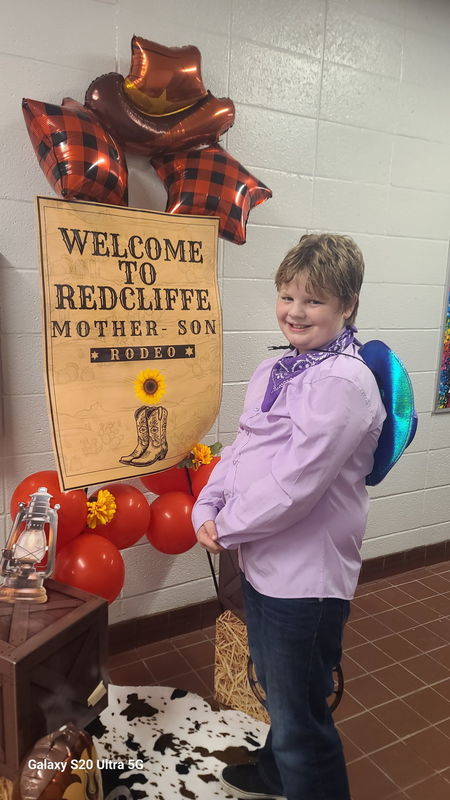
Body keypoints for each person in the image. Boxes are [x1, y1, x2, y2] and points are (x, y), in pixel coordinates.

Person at [192, 233, 386, 800]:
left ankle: (299, 775)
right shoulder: (278, 369)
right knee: (282, 693)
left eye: (313, 300)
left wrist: (225, 528)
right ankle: (276, 774)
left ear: (347, 304)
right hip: (262, 564)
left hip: (305, 582)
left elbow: (293, 487)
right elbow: (243, 449)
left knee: (302, 719)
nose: (294, 312)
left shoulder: (344, 384)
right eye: (286, 296)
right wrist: (209, 501)